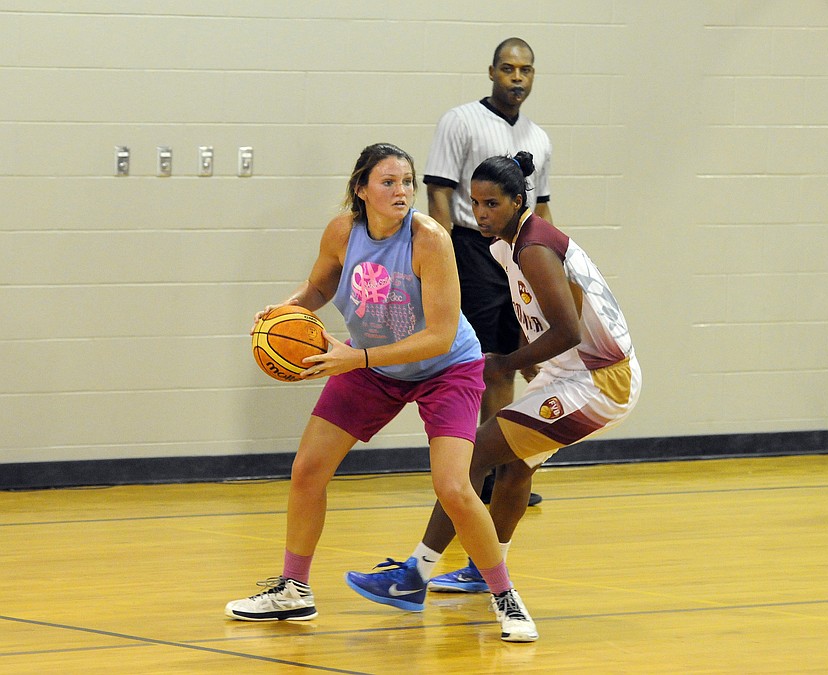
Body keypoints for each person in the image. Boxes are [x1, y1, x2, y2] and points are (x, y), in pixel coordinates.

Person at [225, 143, 538, 643]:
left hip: (445, 368)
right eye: (389, 182)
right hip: (372, 366)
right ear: (361, 189)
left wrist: (358, 358)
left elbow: (438, 334)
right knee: (307, 469)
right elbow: (320, 288)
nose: (402, 191)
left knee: (454, 487)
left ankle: (505, 596)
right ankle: (293, 590)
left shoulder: (429, 239)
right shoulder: (341, 233)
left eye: (408, 182)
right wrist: (285, 309)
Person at [345, 151, 641, 603]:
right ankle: (485, 570)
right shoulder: (508, 243)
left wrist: (503, 363)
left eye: (492, 204)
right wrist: (530, 360)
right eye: (475, 203)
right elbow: (546, 319)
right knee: (515, 466)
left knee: (475, 454)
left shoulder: (534, 247)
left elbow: (567, 330)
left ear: (518, 201)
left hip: (600, 381)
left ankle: (414, 574)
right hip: (573, 371)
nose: (481, 213)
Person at [423, 37, 553, 507]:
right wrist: (438, 261)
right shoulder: (460, 122)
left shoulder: (539, 138)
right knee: (476, 366)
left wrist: (549, 268)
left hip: (516, 253)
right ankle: (469, 475)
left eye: (525, 70)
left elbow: (542, 209)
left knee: (506, 367)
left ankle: (499, 473)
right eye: (507, 68)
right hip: (471, 251)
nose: (517, 77)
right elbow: (438, 194)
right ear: (492, 72)